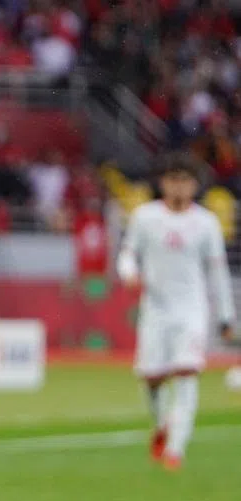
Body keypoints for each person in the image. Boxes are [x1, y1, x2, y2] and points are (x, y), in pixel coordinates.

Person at [116, 152, 236, 470]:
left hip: (191, 310)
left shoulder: (206, 223)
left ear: (195, 185)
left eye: (185, 181)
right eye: (173, 180)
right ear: (162, 183)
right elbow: (127, 253)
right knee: (152, 380)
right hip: (155, 310)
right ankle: (162, 425)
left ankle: (175, 450)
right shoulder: (144, 217)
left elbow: (217, 272)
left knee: (186, 374)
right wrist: (129, 273)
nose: (179, 187)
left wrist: (226, 316)